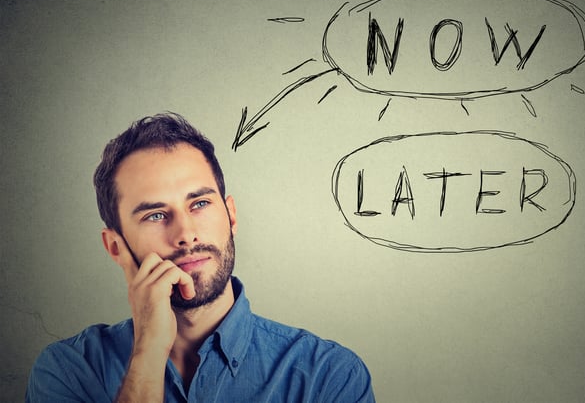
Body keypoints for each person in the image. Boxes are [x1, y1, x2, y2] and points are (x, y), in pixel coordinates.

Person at [26, 113, 375, 402]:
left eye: (200, 204)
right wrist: (148, 352)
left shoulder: (327, 377)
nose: (186, 234)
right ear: (115, 247)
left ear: (231, 216)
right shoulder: (68, 371)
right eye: (155, 215)